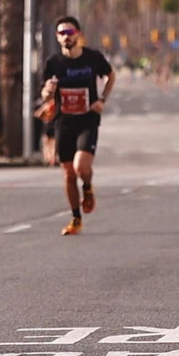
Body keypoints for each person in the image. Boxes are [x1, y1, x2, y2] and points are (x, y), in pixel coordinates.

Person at [41, 15, 114, 236]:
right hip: (64, 122)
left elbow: (110, 75)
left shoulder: (92, 58)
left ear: (78, 34)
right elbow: (44, 93)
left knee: (81, 167)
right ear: (57, 37)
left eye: (70, 32)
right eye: (62, 33)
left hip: (87, 120)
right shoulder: (53, 64)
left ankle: (88, 187)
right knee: (68, 174)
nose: (66, 37)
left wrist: (102, 100)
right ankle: (75, 218)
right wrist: (49, 92)